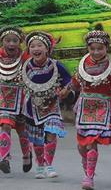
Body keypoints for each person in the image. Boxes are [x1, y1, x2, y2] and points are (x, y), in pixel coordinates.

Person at [69, 26, 111, 190]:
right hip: (85, 107)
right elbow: (75, 83)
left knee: (92, 143)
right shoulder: (83, 65)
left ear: (106, 48)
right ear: (88, 48)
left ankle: (89, 177)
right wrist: (64, 91)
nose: (96, 52)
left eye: (100, 48)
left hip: (103, 109)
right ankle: (86, 165)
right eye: (92, 48)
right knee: (82, 145)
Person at [21, 31, 72, 179]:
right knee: (36, 140)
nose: (36, 49)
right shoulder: (26, 67)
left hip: (51, 106)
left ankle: (49, 165)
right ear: (29, 50)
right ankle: (40, 166)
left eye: (39, 45)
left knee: (51, 132)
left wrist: (65, 90)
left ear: (47, 49)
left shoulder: (55, 65)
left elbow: (69, 80)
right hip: (32, 106)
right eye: (32, 46)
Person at [0, 26, 32, 174]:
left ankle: (27, 154)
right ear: (2, 42)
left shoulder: (25, 56)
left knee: (22, 130)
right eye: (8, 41)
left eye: (15, 41)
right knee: (5, 125)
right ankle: (4, 157)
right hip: (4, 98)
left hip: (21, 98)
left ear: (19, 42)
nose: (11, 44)